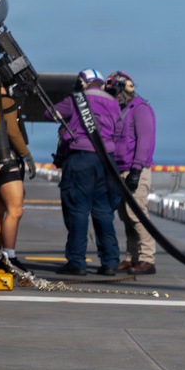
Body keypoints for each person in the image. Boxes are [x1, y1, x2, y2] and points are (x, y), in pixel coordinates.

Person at [50, 69, 122, 276]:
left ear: (82, 82)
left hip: (80, 159)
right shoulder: (114, 103)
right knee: (104, 212)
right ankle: (109, 262)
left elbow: (50, 113)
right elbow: (119, 133)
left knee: (78, 211)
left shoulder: (76, 100)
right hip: (107, 162)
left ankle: (77, 262)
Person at [0, 85, 35, 272]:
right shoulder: (5, 101)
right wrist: (26, 155)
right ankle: (10, 257)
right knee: (16, 210)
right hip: (2, 158)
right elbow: (12, 131)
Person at [107, 71, 158, 275]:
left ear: (125, 88)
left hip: (136, 169)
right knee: (125, 216)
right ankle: (132, 257)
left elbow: (144, 143)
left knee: (137, 215)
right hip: (120, 170)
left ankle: (147, 258)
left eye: (115, 91)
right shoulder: (121, 110)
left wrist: (136, 170)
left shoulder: (141, 109)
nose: (114, 95)